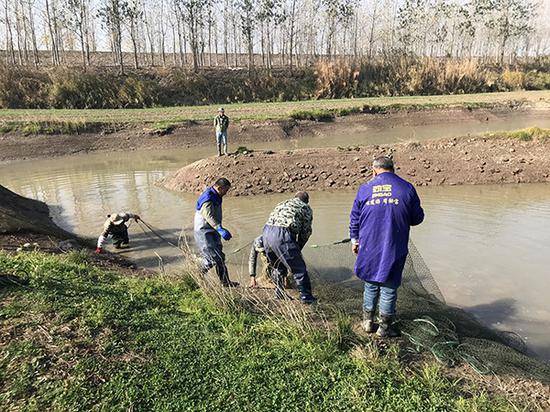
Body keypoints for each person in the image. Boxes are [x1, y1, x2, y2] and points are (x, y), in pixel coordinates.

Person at [349, 156, 424, 337]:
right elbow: (417, 218)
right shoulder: (407, 188)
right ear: (393, 169)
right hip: (394, 247)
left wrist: (354, 240)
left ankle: (367, 322)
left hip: (369, 247)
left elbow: (354, 218)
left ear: (374, 170)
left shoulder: (365, 189)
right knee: (389, 288)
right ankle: (384, 328)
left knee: (371, 285)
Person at [261, 191, 315, 303]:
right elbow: (306, 232)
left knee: (277, 266)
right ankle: (306, 297)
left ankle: (279, 292)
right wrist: (298, 248)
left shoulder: (282, 203)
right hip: (282, 233)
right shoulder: (305, 207)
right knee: (299, 268)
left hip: (266, 233)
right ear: (306, 201)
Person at [194, 177, 238, 287]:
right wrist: (220, 229)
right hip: (204, 231)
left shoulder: (216, 194)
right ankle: (196, 277)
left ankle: (225, 282)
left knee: (220, 257)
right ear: (219, 188)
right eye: (225, 190)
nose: (226, 193)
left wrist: (218, 229)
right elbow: (208, 216)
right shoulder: (208, 197)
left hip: (213, 230)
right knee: (211, 258)